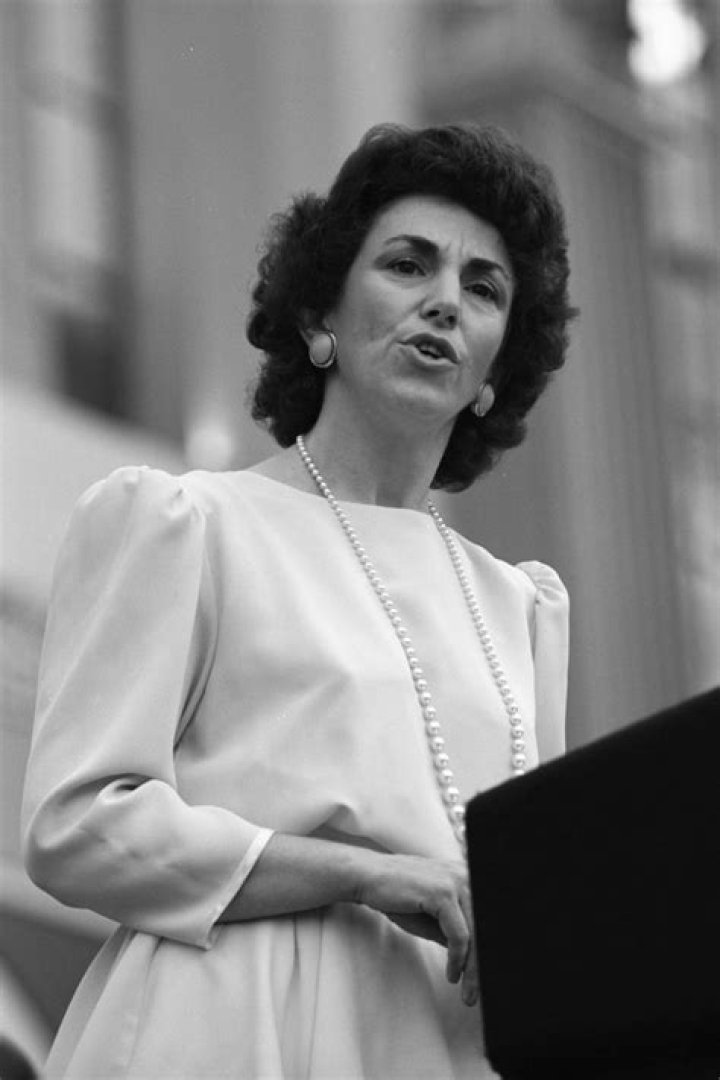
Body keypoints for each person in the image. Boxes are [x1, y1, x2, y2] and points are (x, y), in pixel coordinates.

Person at [22, 122, 575, 1079]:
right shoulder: (188, 523)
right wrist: (359, 871)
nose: (445, 301)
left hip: (445, 1040)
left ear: (496, 368)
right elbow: (78, 824)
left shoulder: (523, 609)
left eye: (484, 288)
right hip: (235, 1026)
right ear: (322, 310)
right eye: (408, 265)